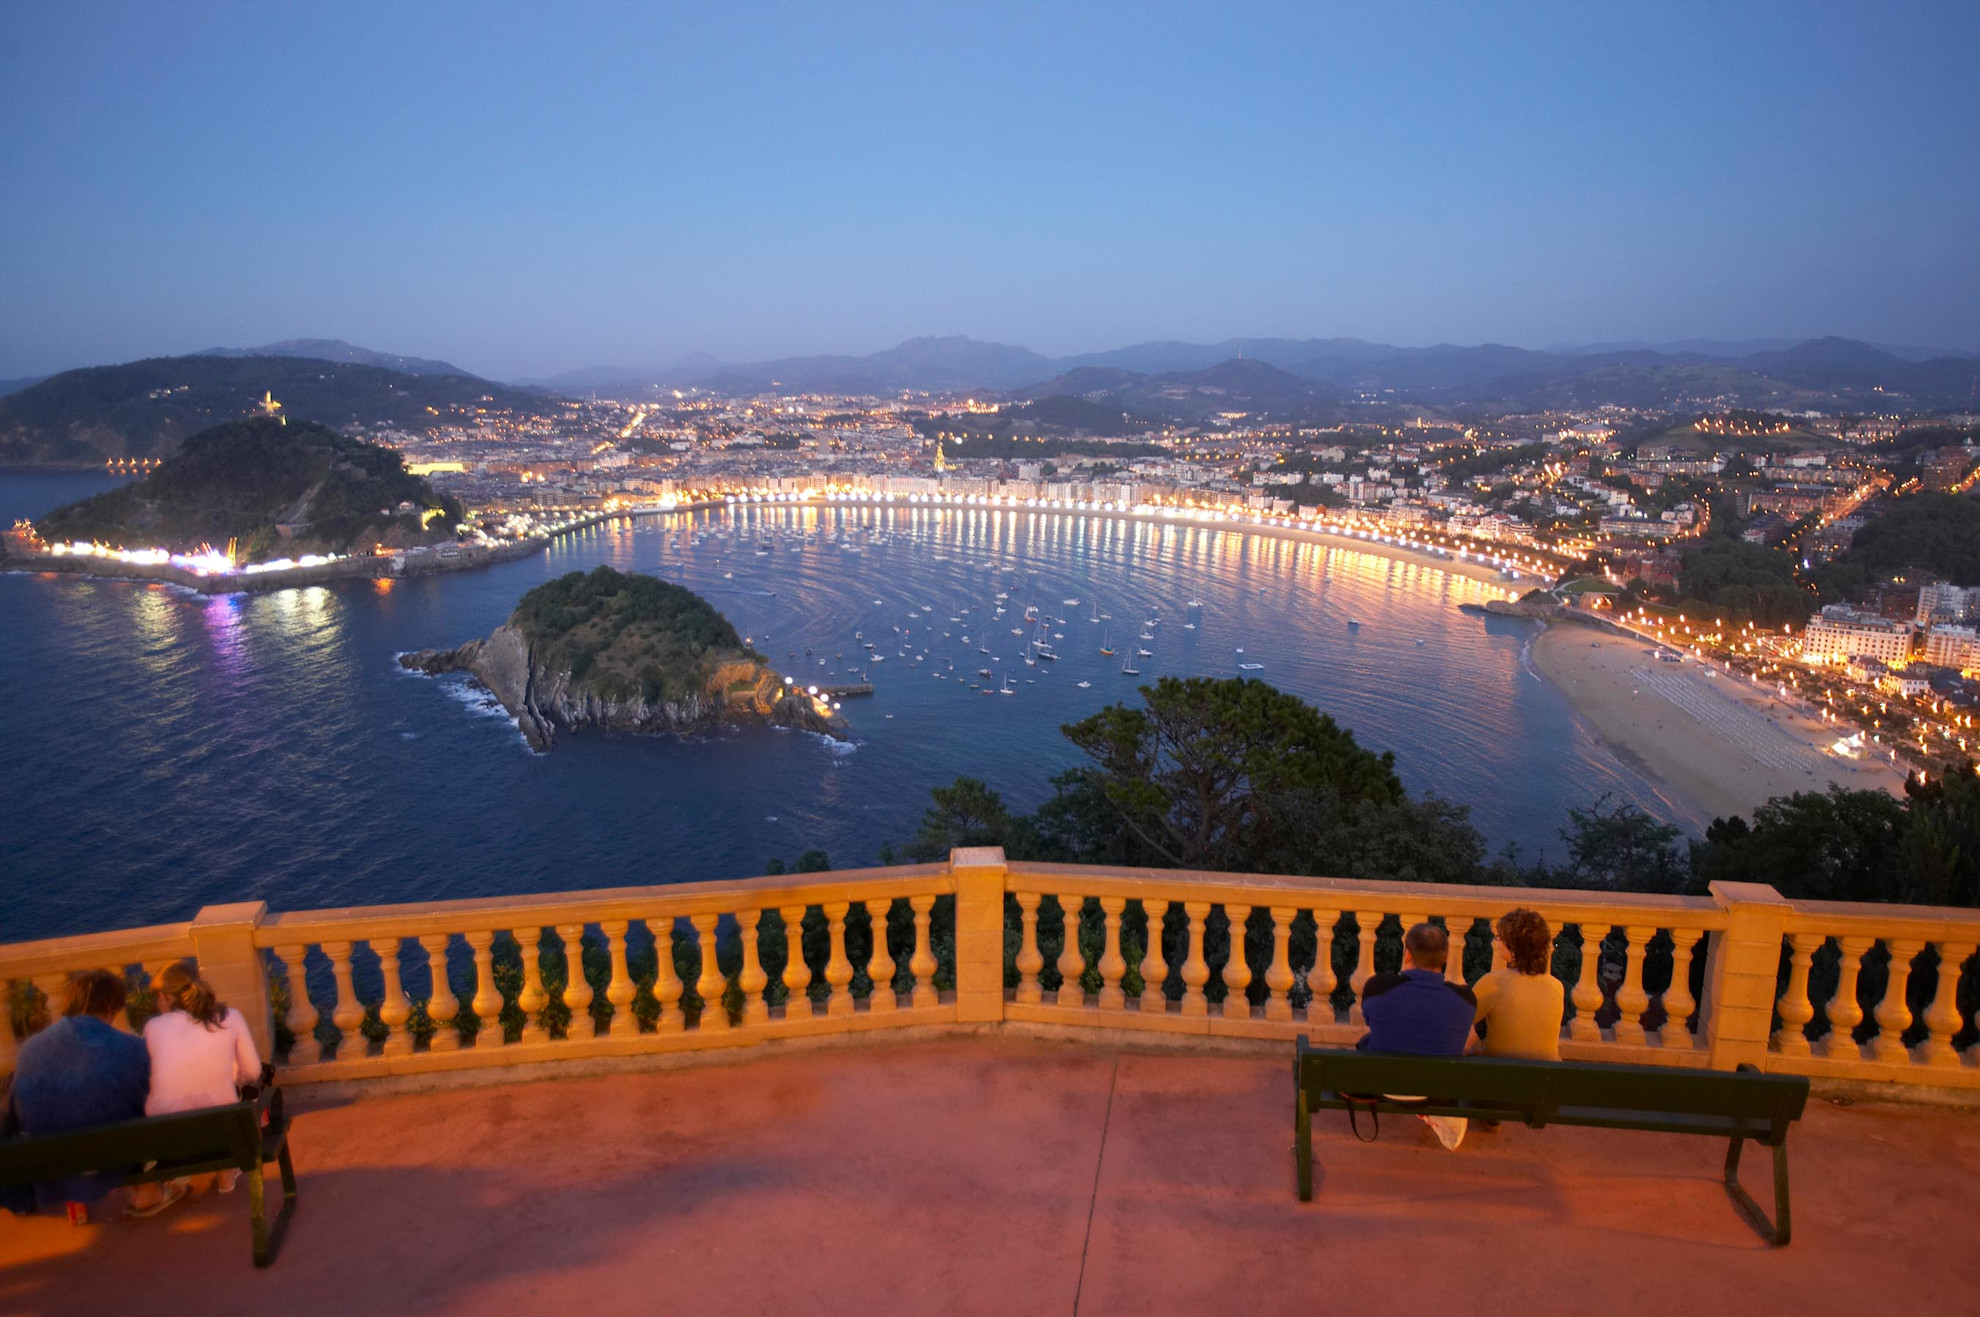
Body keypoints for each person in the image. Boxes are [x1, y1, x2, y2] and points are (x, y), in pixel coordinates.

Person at [3, 970, 181, 1221]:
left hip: (49, 1160)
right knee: (141, 1113)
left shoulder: (31, 1047)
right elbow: (150, 1103)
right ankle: (147, 1192)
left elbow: (15, 1110)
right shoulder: (131, 1047)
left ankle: (75, 1198)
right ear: (109, 1007)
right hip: (108, 1159)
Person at [142, 962, 262, 1194]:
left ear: (166, 997)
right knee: (233, 1097)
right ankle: (226, 1174)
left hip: (167, 1140)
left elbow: (148, 1077)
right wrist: (232, 1076)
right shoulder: (229, 1016)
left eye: (157, 998)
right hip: (221, 1133)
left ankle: (176, 1177)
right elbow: (253, 1072)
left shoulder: (153, 1027)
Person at [1357, 922, 1475, 1149]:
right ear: (1445, 958)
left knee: (1367, 1043)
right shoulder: (1464, 999)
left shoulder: (1377, 987)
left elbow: (1371, 1021)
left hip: (1385, 1086)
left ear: (1408, 955)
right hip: (1438, 1092)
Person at [1471, 908, 1565, 1061]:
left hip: (1500, 1071)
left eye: (1499, 938)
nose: (1497, 943)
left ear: (1513, 949)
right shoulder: (1556, 986)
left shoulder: (1493, 983)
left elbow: (1458, 1023)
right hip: (1548, 1072)